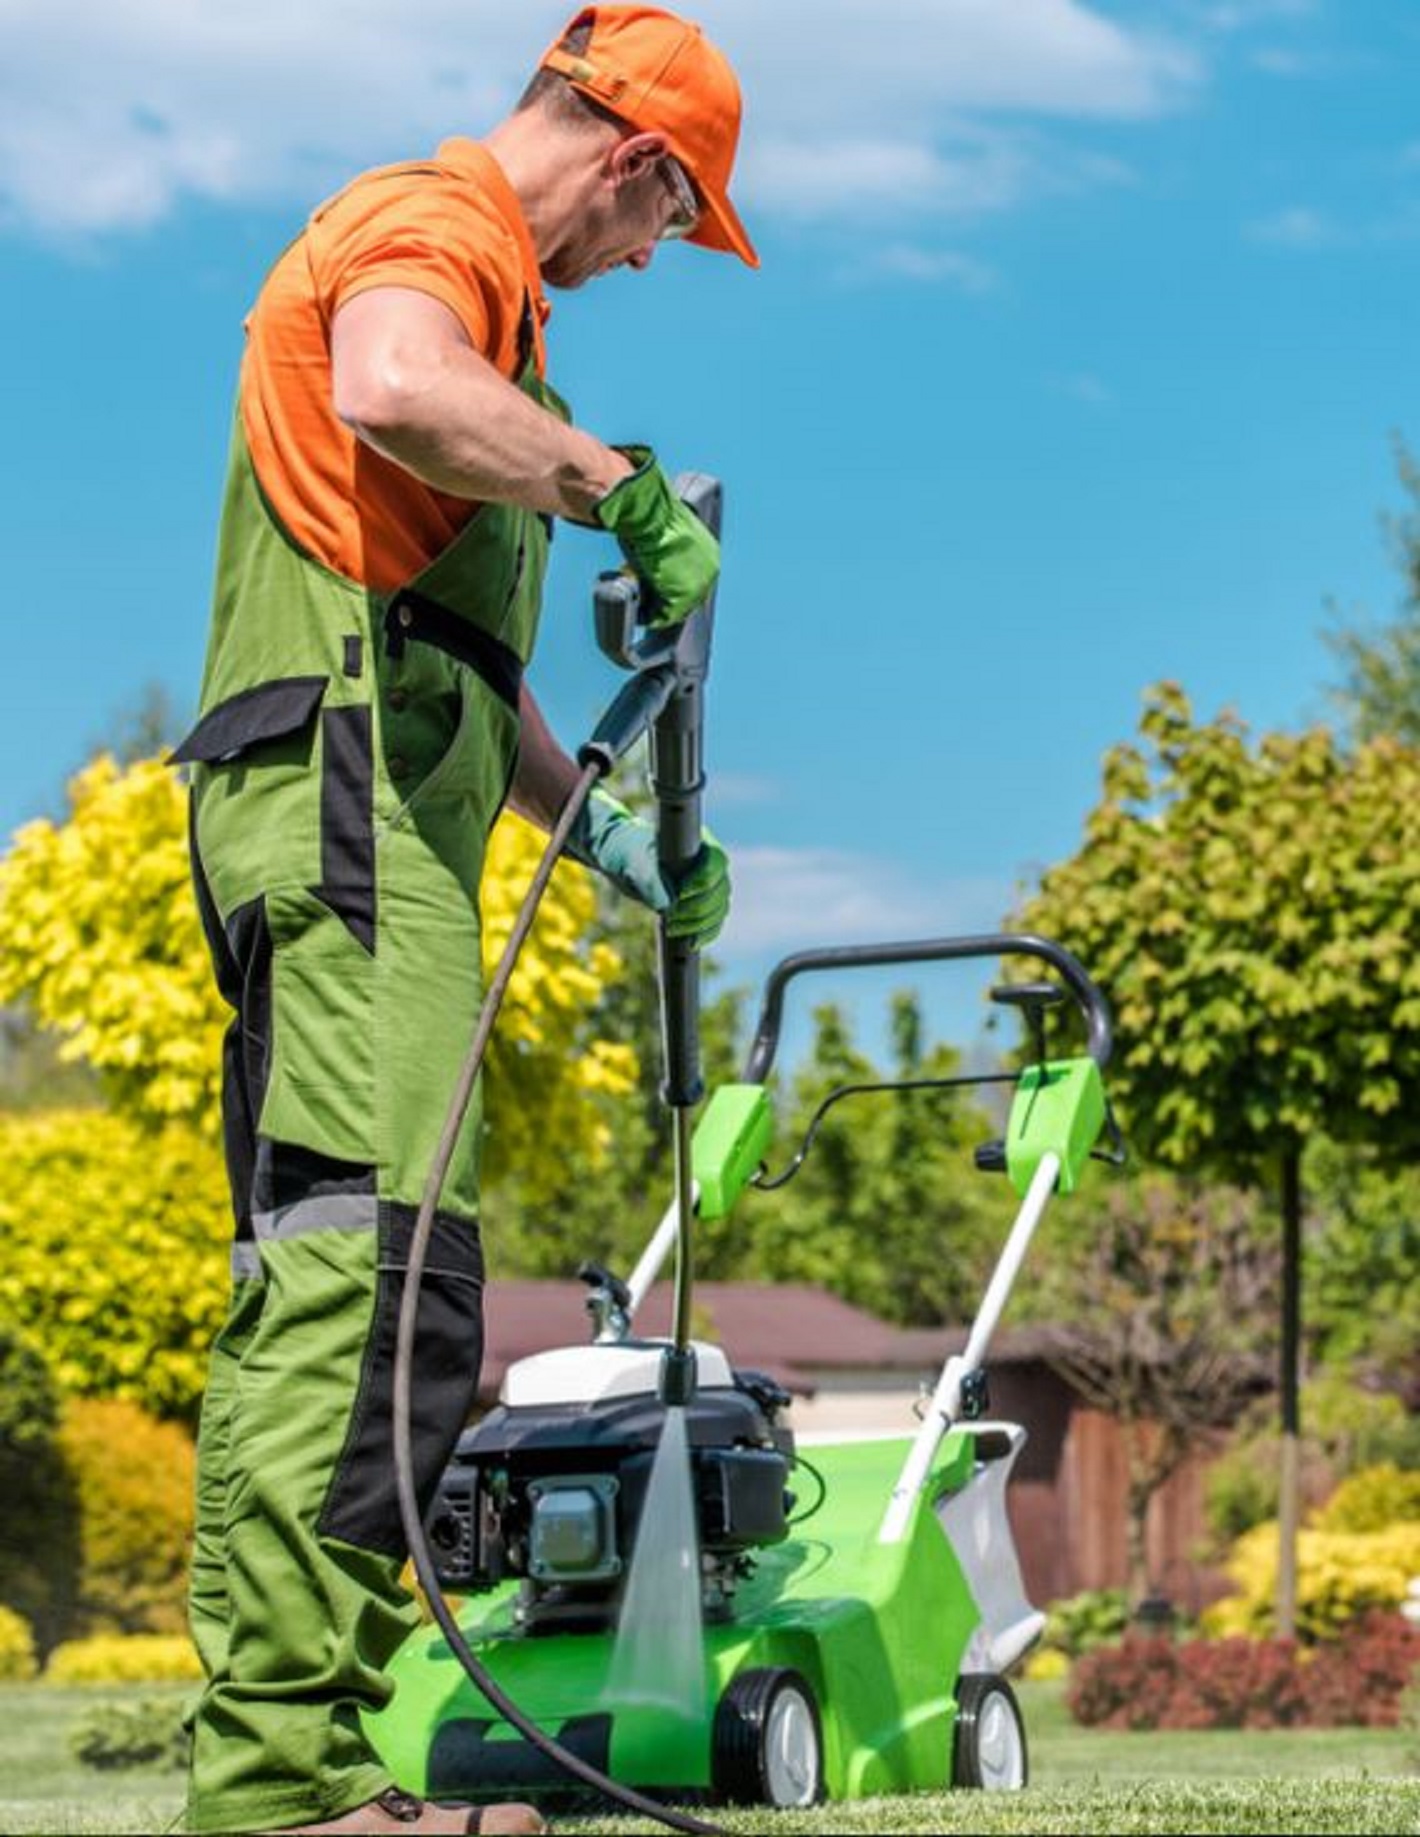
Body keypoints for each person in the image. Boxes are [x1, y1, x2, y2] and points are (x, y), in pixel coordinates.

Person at [172, 8, 756, 1832]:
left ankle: (332, 1759)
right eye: (674, 221)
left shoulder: (513, 317)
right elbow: (392, 384)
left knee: (392, 1281)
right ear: (637, 159)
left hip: (388, 809)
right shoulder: (434, 229)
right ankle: (281, 1785)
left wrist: (607, 841)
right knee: (362, 1281)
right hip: (337, 807)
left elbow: (455, 662)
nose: (654, 256)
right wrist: (617, 490)